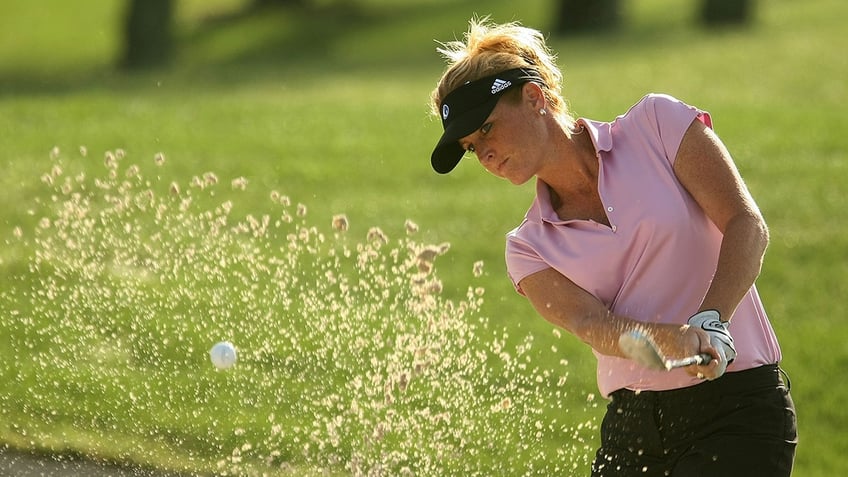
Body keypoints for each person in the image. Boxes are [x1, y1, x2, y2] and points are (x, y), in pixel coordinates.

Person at [428, 18, 797, 477]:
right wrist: (672, 339)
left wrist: (711, 319)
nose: (481, 153)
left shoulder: (657, 127)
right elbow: (591, 323)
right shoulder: (528, 248)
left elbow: (746, 224)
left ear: (534, 98)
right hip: (632, 430)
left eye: (485, 129)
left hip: (737, 409)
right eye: (468, 146)